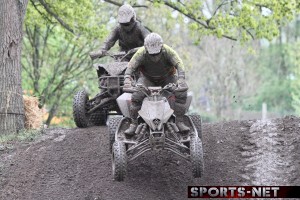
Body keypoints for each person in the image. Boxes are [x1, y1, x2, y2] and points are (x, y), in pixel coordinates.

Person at [123, 33, 190, 136]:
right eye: (152, 54)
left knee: (181, 93)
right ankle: (134, 124)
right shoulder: (140, 53)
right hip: (147, 78)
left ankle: (179, 121)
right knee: (136, 96)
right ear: (146, 48)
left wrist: (181, 79)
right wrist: (127, 78)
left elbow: (179, 63)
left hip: (168, 77)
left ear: (161, 47)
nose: (155, 56)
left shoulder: (168, 51)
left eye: (157, 53)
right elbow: (131, 66)